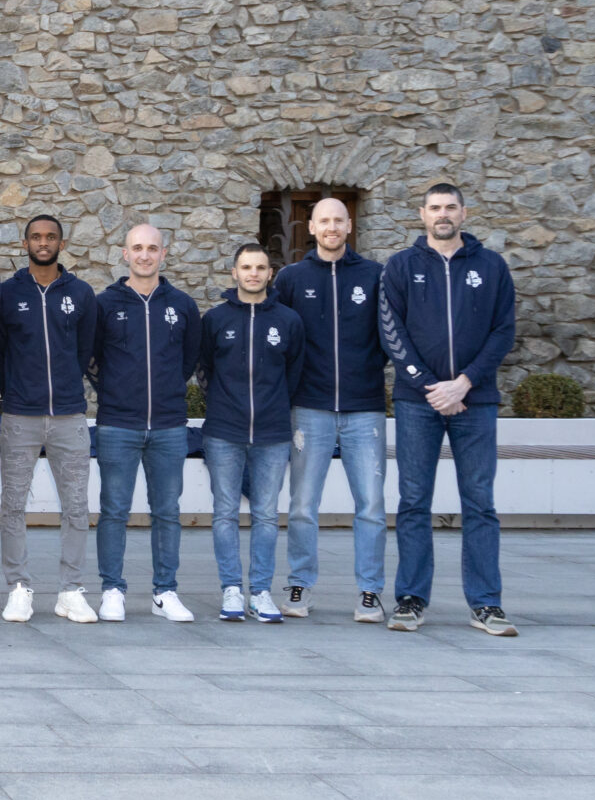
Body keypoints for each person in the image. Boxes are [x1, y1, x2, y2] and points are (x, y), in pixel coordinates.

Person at [380, 182, 519, 636]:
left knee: (480, 502)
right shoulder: (400, 267)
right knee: (414, 501)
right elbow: (391, 333)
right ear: (422, 214)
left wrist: (464, 383)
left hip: (475, 401)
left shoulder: (492, 266)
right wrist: (429, 386)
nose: (443, 214)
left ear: (465, 212)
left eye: (451, 207)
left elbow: (503, 332)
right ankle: (411, 599)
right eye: (435, 208)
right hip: (416, 402)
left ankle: (486, 604)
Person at [274, 197, 391, 623]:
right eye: (324, 220)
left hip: (365, 408)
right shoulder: (291, 278)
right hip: (309, 408)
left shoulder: (375, 275)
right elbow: (279, 334)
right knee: (303, 503)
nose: (331, 227)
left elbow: (390, 333)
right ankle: (300, 583)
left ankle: (370, 591)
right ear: (311, 226)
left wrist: (371, 369)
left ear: (350, 224)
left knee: (372, 505)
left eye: (339, 220)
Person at [0, 213, 101, 624]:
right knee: (13, 505)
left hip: (70, 416)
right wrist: (10, 390)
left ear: (61, 242)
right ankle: (18, 587)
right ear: (25, 244)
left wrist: (71, 388)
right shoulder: (7, 294)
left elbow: (85, 347)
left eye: (50, 236)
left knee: (76, 506)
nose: (43, 242)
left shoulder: (82, 294)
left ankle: (71, 591)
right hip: (20, 415)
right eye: (36, 236)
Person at [89, 224, 201, 623]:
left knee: (167, 511)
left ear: (164, 254)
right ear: (124, 254)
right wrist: (115, 391)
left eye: (152, 248)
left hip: (169, 425)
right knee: (114, 509)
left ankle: (165, 591)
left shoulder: (183, 305)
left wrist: (168, 391)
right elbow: (91, 358)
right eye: (137, 248)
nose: (145, 255)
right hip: (118, 423)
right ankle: (112, 590)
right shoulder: (105, 304)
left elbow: (189, 359)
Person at [200, 242, 306, 621]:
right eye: (246, 267)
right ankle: (231, 588)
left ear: (270, 273)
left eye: (260, 267)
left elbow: (293, 373)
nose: (253, 274)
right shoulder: (215, 319)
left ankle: (260, 591)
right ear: (234, 272)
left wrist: (273, 405)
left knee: (265, 514)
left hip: (273, 433)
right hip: (223, 431)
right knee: (225, 512)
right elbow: (205, 370)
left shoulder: (288, 321)